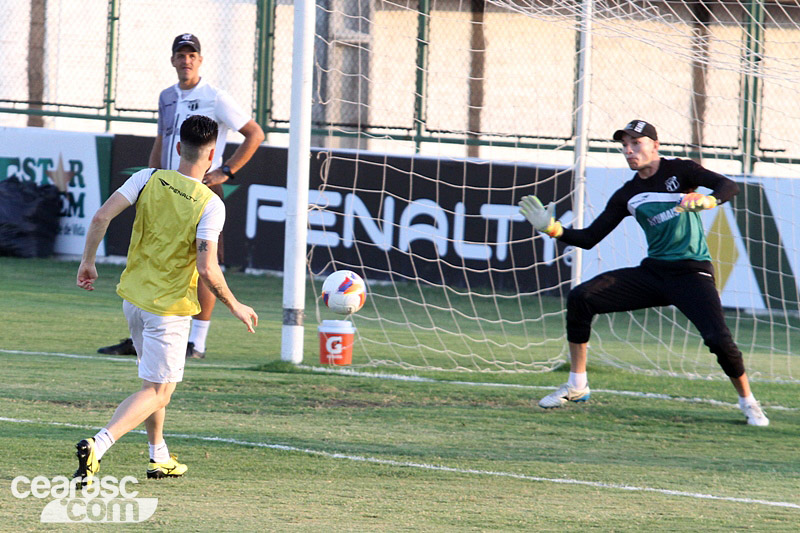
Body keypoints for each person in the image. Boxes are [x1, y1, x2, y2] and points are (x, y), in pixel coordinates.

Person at [518, 119, 769, 427]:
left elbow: (729, 186)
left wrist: (708, 199)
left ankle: (749, 402)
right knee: (581, 297)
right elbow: (588, 239)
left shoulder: (681, 170)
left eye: (636, 143)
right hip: (654, 273)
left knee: (719, 340)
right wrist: (552, 229)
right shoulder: (628, 194)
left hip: (692, 273)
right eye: (625, 145)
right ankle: (577, 385)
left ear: (655, 144)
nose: (629, 150)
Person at [74, 115, 258, 485]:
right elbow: (208, 269)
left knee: (155, 385)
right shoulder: (210, 203)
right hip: (169, 309)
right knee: (158, 390)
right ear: (212, 155)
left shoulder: (147, 177)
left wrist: (88, 261)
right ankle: (99, 444)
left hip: (134, 299)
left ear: (177, 147)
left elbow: (100, 217)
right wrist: (236, 305)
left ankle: (158, 456)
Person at [98, 33, 265, 359]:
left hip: (201, 188)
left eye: (192, 55)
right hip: (165, 188)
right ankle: (144, 332)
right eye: (181, 54)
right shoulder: (166, 96)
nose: (186, 60)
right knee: (152, 254)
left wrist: (226, 171)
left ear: (200, 60)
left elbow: (254, 133)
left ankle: (196, 343)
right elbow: (162, 139)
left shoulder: (216, 97)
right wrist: (149, 181)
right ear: (173, 60)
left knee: (204, 263)